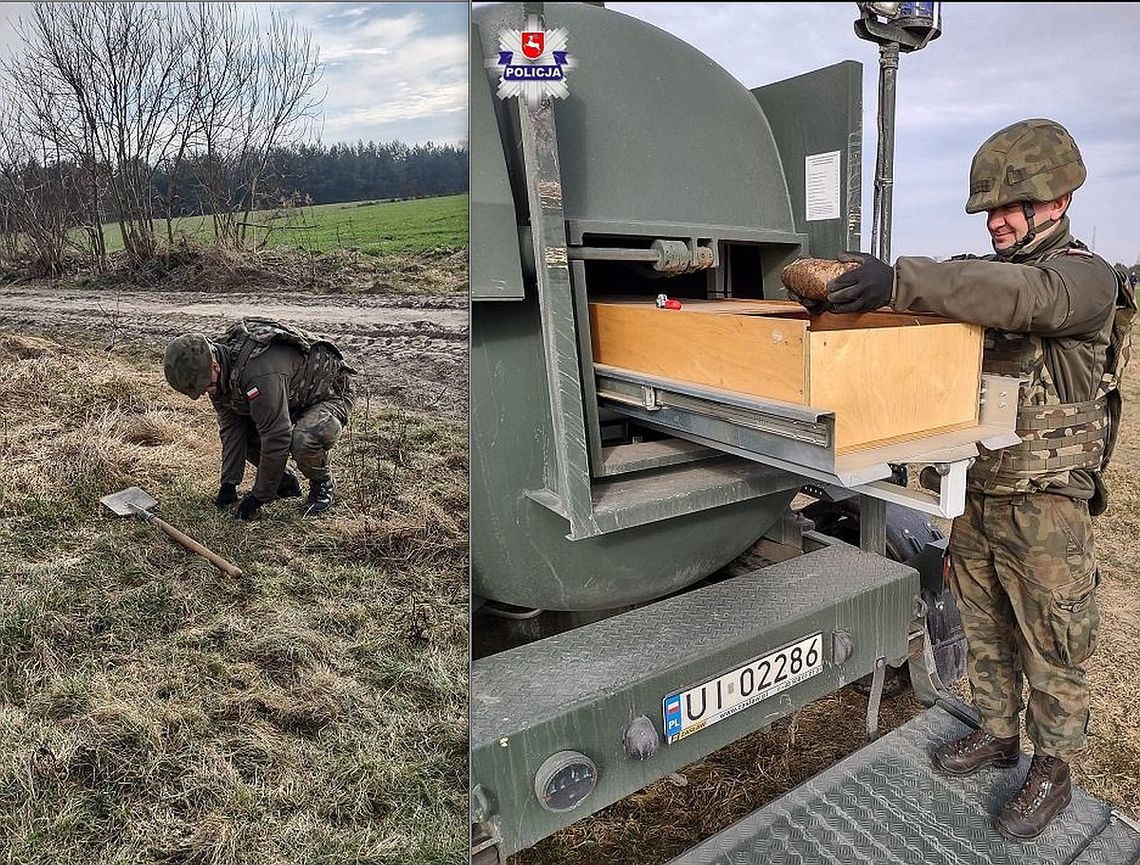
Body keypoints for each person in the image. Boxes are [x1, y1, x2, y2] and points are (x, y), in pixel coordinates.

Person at [792, 118, 1135, 840]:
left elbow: (1024, 298)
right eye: (990, 212)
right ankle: (998, 730)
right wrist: (861, 294)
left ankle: (1053, 767)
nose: (999, 221)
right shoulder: (982, 277)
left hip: (1048, 510)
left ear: (1060, 200)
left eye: (1014, 206)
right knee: (982, 626)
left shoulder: (1084, 279)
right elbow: (965, 297)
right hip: (976, 493)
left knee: (1053, 640)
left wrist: (905, 277)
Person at [163, 317, 357, 520]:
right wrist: (229, 484)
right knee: (248, 434)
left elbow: (277, 435)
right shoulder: (220, 372)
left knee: (303, 439)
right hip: (291, 397)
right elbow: (232, 428)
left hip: (329, 394)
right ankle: (284, 482)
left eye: (205, 386)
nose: (205, 392)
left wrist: (259, 496)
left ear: (214, 365)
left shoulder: (258, 373)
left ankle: (322, 483)